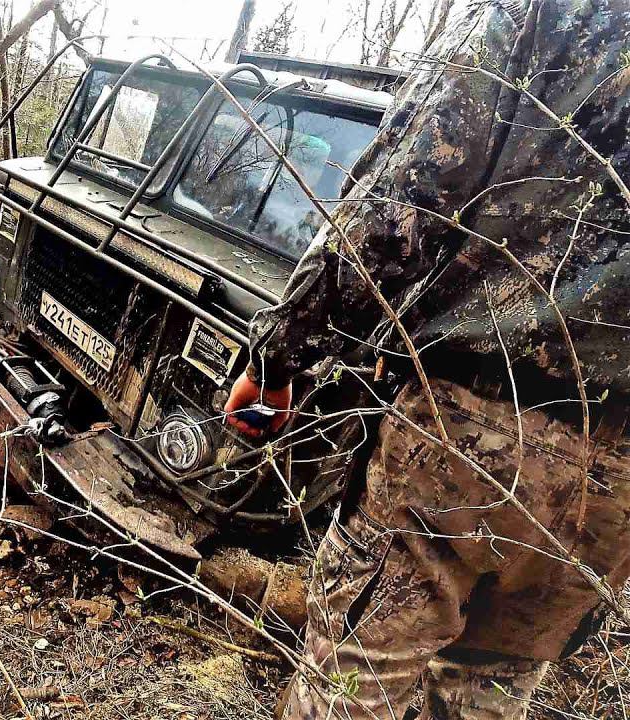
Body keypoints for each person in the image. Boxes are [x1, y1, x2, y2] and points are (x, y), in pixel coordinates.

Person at [223, 0, 630, 717]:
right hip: (616, 494)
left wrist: (277, 360)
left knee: (352, 685)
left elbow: (400, 205)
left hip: (474, 427)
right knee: (488, 693)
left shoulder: (546, 12)